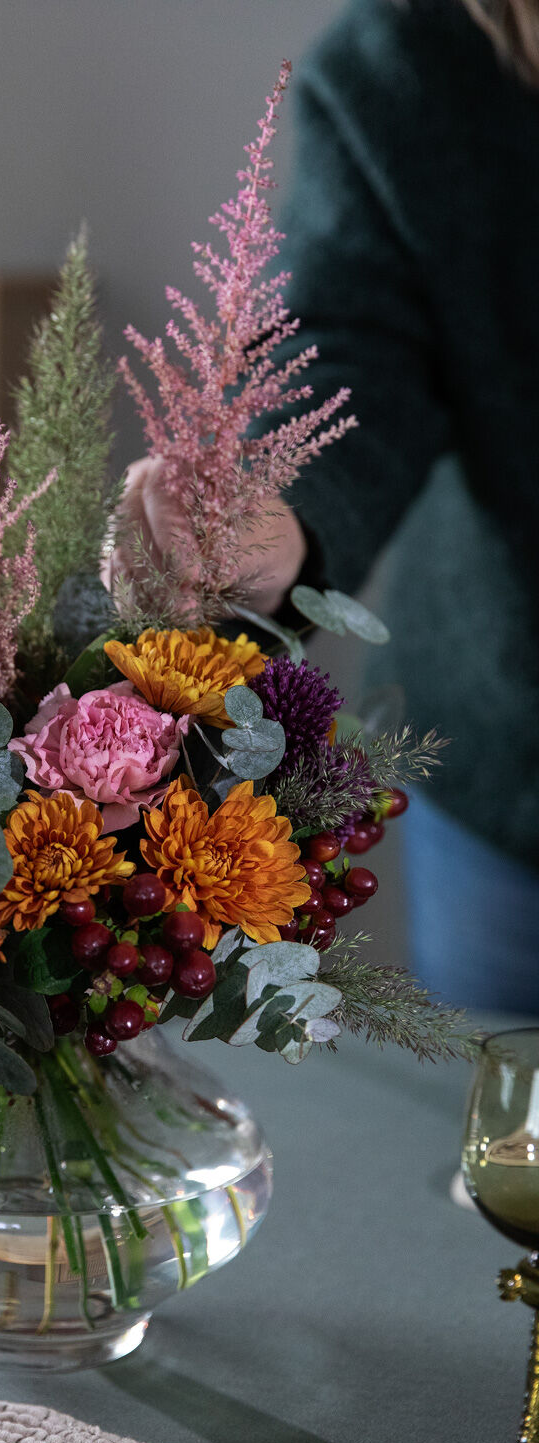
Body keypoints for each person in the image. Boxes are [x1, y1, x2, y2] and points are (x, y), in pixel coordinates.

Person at [116, 0, 539, 1012]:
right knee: (497, 1148)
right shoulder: (408, 63)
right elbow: (348, 354)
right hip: (510, 757)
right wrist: (276, 518)